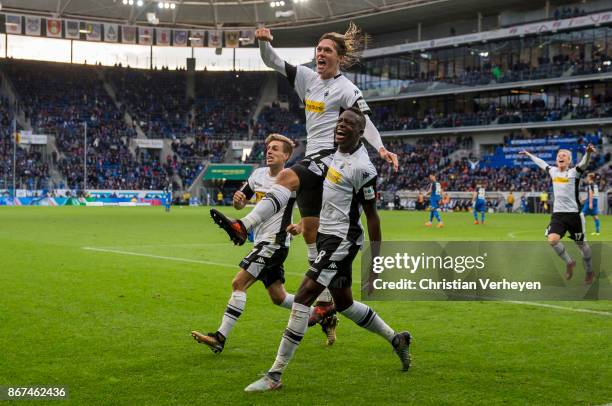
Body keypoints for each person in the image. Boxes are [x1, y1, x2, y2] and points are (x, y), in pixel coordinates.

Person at [210, 22, 398, 334]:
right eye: (319, 49)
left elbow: (366, 122)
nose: (320, 53)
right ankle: (326, 302)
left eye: (327, 50)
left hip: (330, 159)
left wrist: (381, 148)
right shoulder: (307, 78)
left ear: (339, 57)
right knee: (311, 232)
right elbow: (272, 61)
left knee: (285, 177)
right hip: (313, 157)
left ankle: (244, 225)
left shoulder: (347, 89)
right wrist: (263, 42)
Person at [244, 108, 411, 392]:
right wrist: (301, 222)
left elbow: (372, 216)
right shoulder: (333, 154)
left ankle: (275, 375)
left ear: (360, 133)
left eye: (349, 124)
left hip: (342, 240)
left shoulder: (363, 168)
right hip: (326, 237)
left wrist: (376, 264)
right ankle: (397, 338)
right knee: (344, 304)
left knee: (304, 295)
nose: (341, 126)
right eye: (340, 121)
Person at [192, 134, 328, 352]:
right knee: (278, 296)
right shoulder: (256, 176)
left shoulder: (293, 179)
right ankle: (320, 314)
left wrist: (301, 226)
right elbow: (241, 202)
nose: (269, 152)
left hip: (275, 242)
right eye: (268, 149)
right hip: (262, 242)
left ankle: (220, 337)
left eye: (275, 149)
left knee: (239, 283)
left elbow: (309, 210)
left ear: (286, 155)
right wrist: (237, 201)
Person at [520, 145, 596, 284]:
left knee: (582, 245)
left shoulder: (574, 172)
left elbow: (584, 163)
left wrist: (588, 153)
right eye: (559, 155)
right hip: (558, 215)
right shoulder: (553, 171)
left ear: (569, 161)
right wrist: (529, 155)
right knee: (552, 240)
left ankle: (590, 270)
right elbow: (542, 163)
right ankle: (569, 262)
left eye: (564, 156)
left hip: (574, 216)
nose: (560, 157)